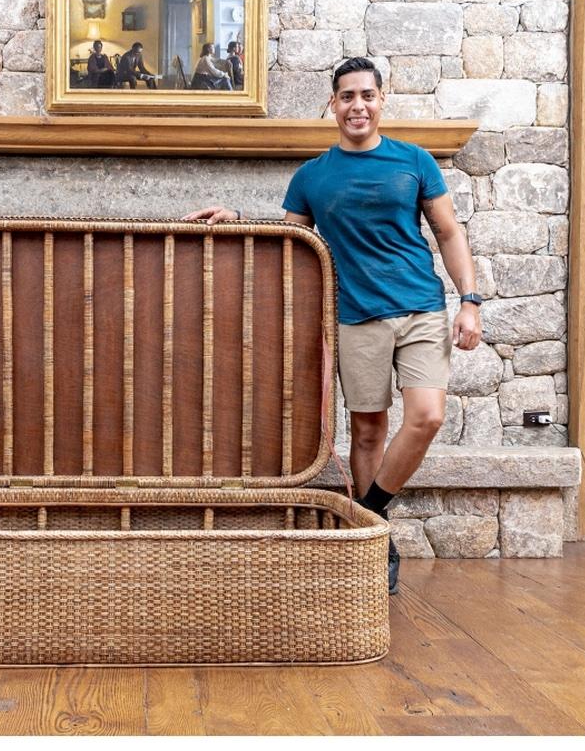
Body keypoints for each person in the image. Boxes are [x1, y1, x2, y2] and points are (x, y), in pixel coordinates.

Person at [182, 57, 482, 595]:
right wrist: (237, 223)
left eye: (367, 95)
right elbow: (289, 247)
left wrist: (470, 301)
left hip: (420, 309)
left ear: (381, 100)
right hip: (354, 316)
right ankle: (379, 547)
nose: (357, 105)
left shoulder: (414, 161)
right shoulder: (312, 176)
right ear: (332, 104)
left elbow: (449, 233)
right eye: (347, 97)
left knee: (427, 417)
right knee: (367, 430)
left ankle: (365, 518)